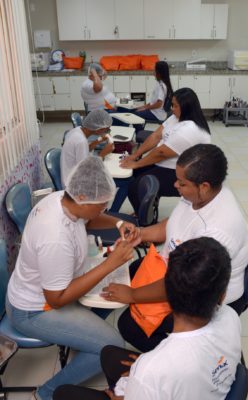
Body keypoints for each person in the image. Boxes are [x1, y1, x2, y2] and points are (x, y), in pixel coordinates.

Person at [6, 156, 139, 400]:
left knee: (107, 292)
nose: (104, 210)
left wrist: (119, 222)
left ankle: (83, 340)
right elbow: (56, 299)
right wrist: (111, 263)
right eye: (101, 205)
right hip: (34, 311)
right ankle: (46, 393)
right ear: (81, 197)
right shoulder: (54, 236)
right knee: (110, 346)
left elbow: (90, 217)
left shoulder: (61, 198)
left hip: (43, 294)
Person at [102, 144, 248, 352]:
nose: (175, 185)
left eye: (181, 183)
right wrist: (141, 234)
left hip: (201, 295)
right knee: (133, 269)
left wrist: (133, 296)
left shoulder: (216, 232)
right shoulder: (198, 194)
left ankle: (184, 357)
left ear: (204, 186)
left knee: (129, 326)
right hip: (178, 269)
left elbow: (185, 285)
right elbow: (172, 224)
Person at [53, 237, 241, 400]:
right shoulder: (231, 317)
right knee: (109, 354)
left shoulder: (153, 369)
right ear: (222, 295)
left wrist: (131, 388)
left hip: (156, 377)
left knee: (63, 394)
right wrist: (147, 372)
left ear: (168, 296)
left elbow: (164, 370)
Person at [120, 88, 211, 215]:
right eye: (172, 104)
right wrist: (135, 156)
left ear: (186, 108)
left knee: (135, 187)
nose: (172, 108)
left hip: (184, 174)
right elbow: (155, 136)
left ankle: (145, 221)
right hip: (167, 164)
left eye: (175, 106)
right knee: (133, 174)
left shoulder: (190, 129)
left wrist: (136, 163)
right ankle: (144, 209)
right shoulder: (175, 118)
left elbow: (161, 153)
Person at [61, 109, 114, 188]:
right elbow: (86, 170)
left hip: (71, 175)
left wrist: (99, 140)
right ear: (99, 129)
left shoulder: (77, 130)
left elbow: (85, 149)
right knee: (114, 181)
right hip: (73, 185)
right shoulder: (80, 141)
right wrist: (102, 154)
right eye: (107, 130)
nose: (107, 132)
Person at [133, 61, 173, 130]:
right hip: (155, 111)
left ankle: (140, 135)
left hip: (157, 114)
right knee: (136, 110)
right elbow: (153, 102)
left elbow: (159, 104)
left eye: (154, 69)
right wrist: (141, 107)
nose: (153, 71)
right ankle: (140, 132)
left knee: (135, 115)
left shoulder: (161, 86)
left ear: (159, 72)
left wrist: (145, 108)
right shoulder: (161, 83)